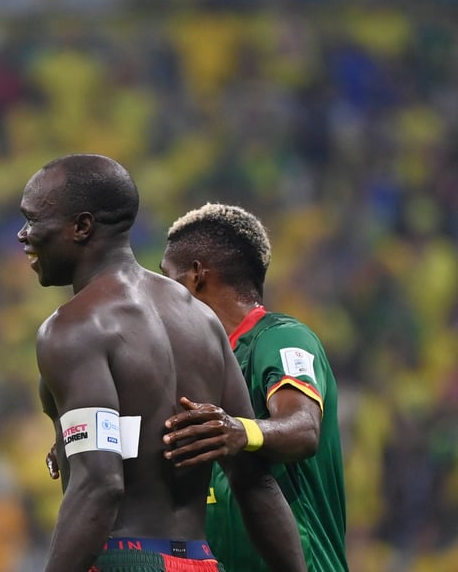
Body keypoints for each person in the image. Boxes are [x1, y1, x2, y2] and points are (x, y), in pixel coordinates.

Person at [20, 154, 306, 572]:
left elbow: (100, 484)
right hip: (201, 562)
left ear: (81, 227)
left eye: (32, 219)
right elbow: (256, 481)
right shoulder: (201, 320)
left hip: (122, 558)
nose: (23, 235)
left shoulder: (74, 327)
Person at [160, 203, 349, 572]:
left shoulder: (280, 338)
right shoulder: (194, 367)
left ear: (196, 276)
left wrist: (239, 431)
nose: (159, 295)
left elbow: (303, 428)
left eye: (167, 278)